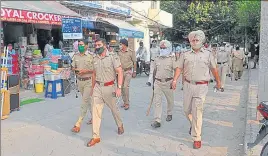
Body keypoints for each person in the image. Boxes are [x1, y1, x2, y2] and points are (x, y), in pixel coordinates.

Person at [171, 30, 221, 149]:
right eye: (192, 40)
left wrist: (218, 82)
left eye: (196, 40)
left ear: (201, 41)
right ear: (190, 41)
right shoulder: (185, 54)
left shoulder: (208, 54)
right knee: (186, 110)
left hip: (202, 86)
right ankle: (194, 125)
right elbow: (179, 68)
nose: (194, 42)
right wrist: (174, 80)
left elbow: (214, 69)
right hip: (188, 85)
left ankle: (197, 137)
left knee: (197, 111)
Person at [87, 38, 124, 147]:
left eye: (99, 45)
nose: (97, 47)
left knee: (114, 109)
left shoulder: (112, 57)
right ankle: (95, 137)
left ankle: (120, 124)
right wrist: (93, 88)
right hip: (98, 87)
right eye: (96, 45)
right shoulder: (95, 58)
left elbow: (120, 72)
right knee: (95, 112)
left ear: (105, 45)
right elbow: (93, 74)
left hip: (109, 87)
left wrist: (119, 88)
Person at [150, 40, 179, 128]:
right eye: (161, 48)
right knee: (157, 102)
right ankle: (157, 120)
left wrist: (174, 81)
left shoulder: (172, 59)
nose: (162, 50)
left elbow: (177, 70)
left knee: (170, 100)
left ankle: (169, 113)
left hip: (168, 82)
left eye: (164, 48)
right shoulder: (157, 58)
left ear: (169, 49)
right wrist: (153, 82)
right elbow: (154, 70)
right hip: (158, 82)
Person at [71, 40, 94, 133]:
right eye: (79, 45)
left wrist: (85, 71)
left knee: (84, 101)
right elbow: (72, 67)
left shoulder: (91, 56)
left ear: (86, 46)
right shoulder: (75, 56)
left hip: (88, 81)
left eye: (82, 45)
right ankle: (94, 117)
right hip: (80, 82)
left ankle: (78, 123)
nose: (80, 46)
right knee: (88, 101)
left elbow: (94, 70)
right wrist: (76, 70)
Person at [117, 39, 137, 110]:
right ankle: (124, 102)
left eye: (121, 44)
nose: (120, 45)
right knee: (121, 87)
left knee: (125, 87)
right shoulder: (119, 52)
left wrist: (134, 71)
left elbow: (134, 62)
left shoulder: (131, 52)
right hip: (121, 72)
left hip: (128, 71)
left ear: (124, 44)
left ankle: (127, 103)